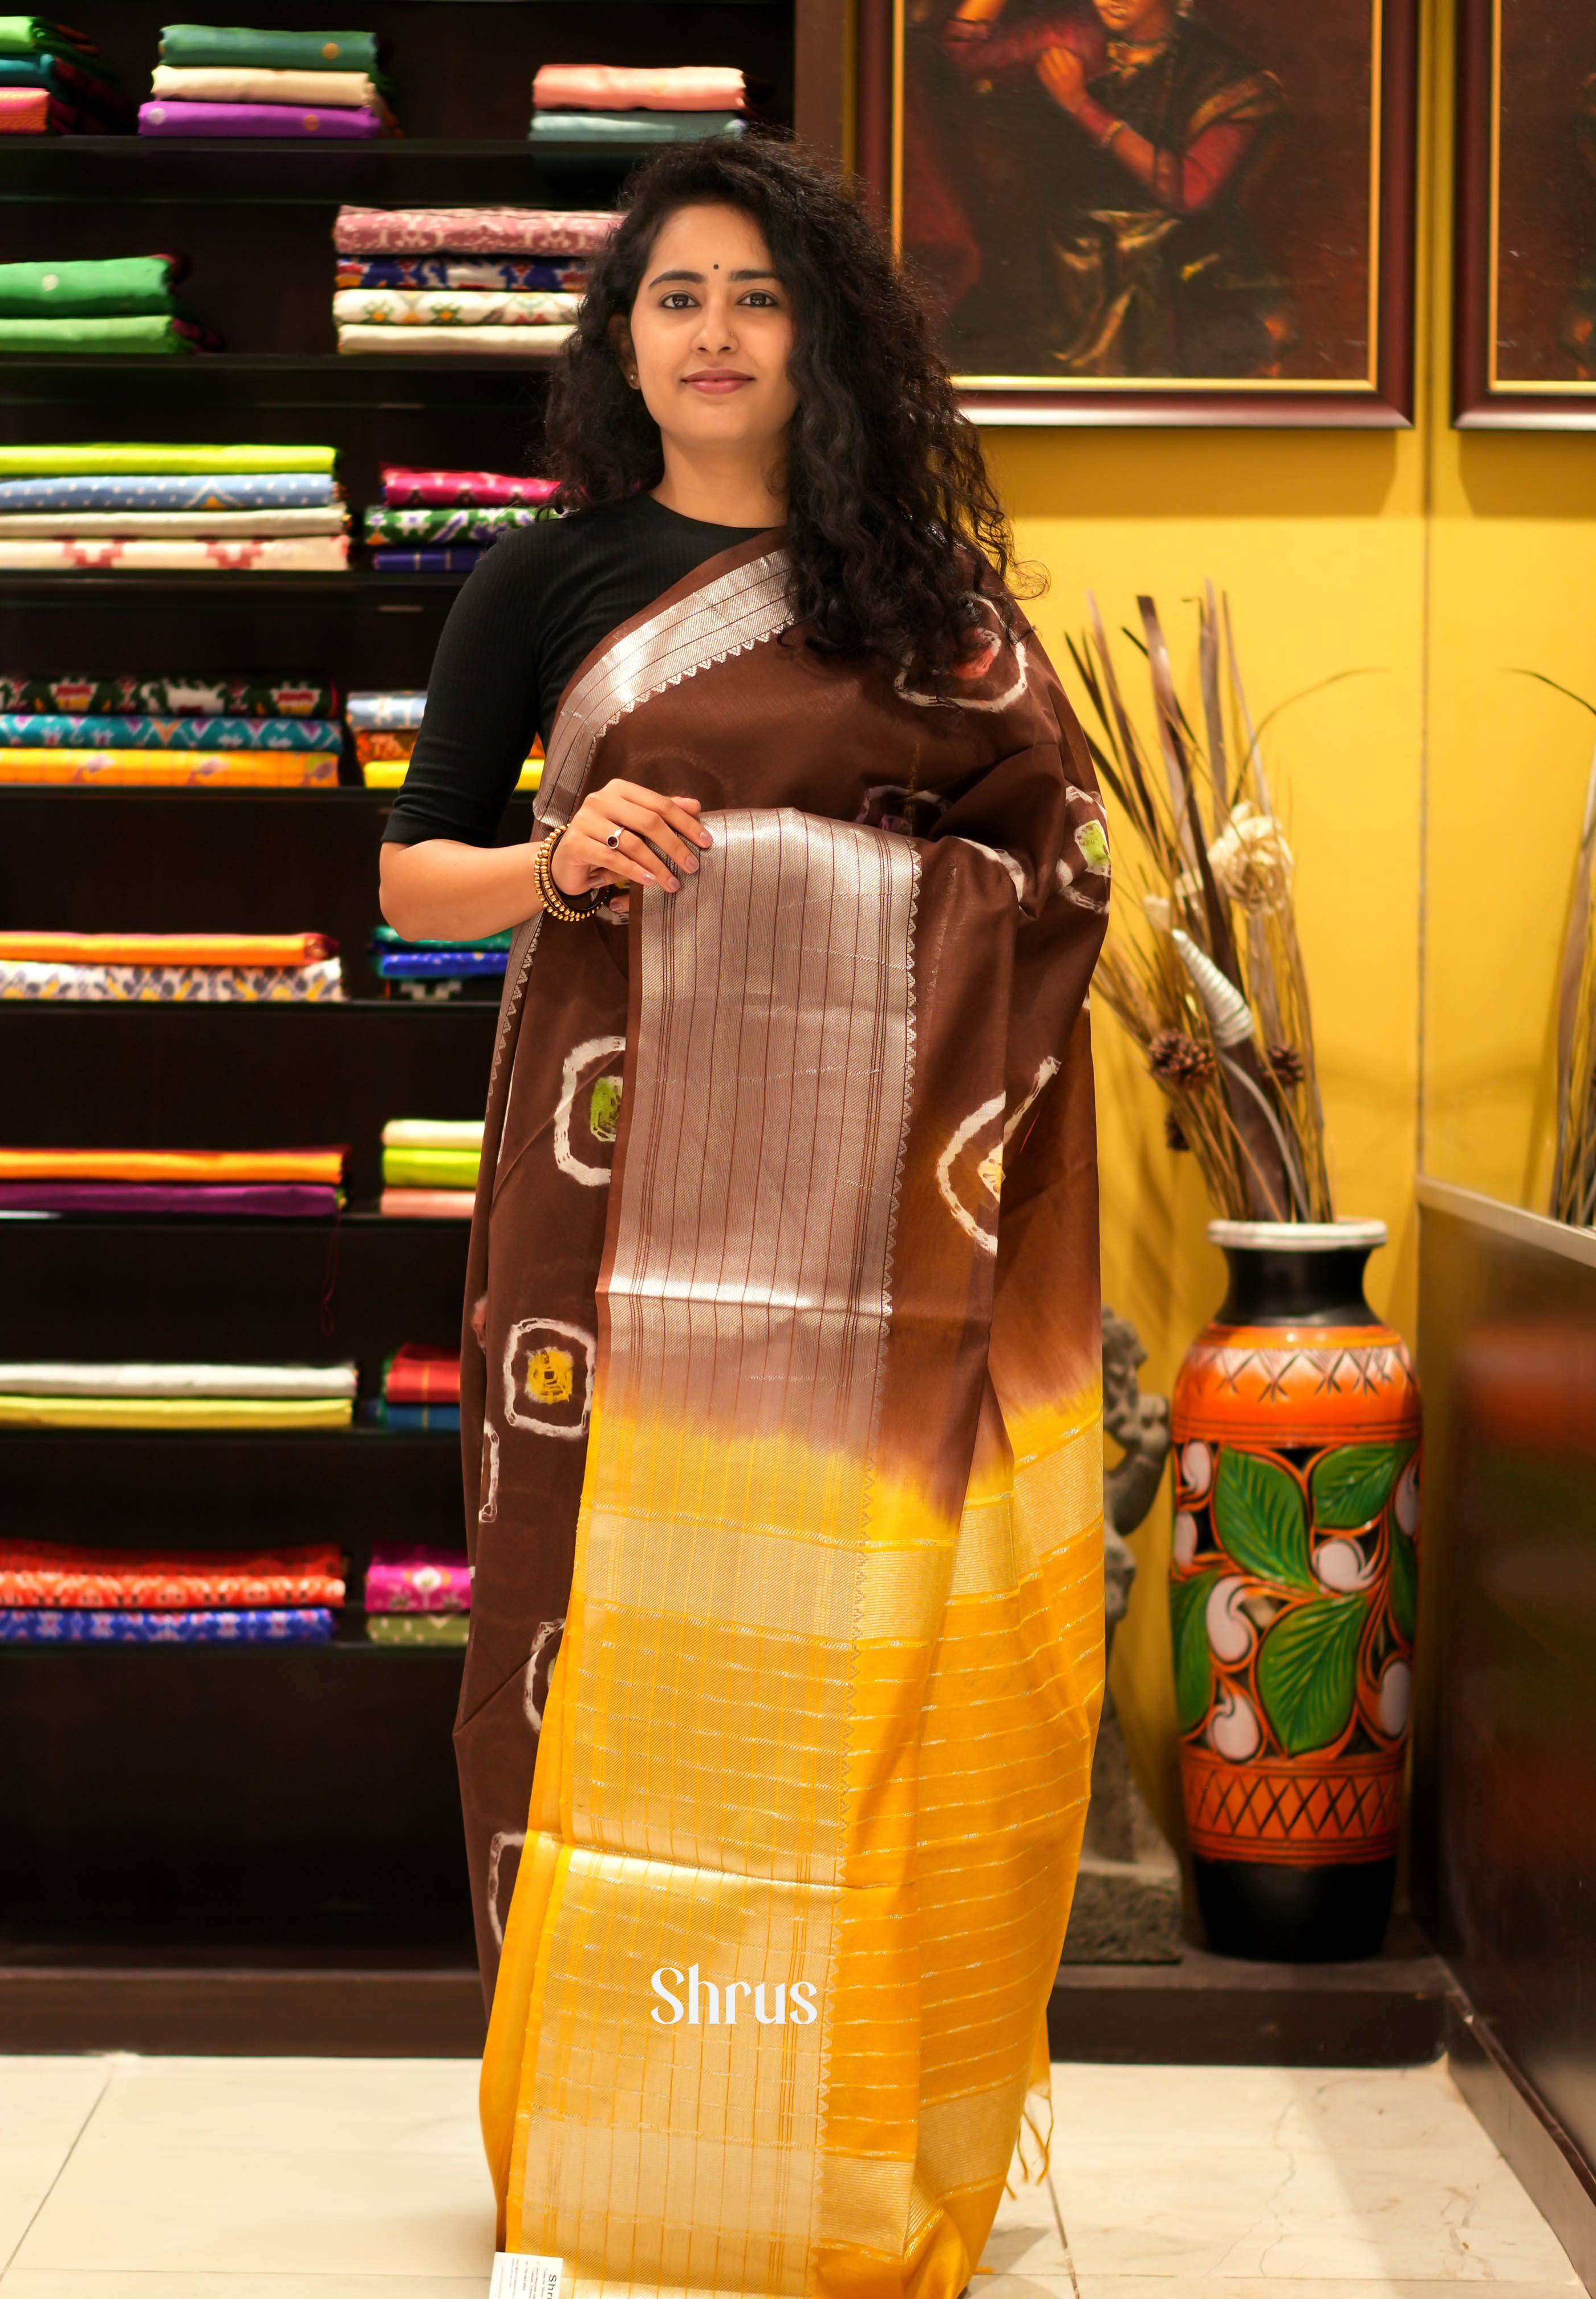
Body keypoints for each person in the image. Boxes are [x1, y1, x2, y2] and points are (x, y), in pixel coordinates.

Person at [379, 133, 1110, 2292]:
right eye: (674, 295)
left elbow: (1050, 874)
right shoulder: (551, 579)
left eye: (755, 298)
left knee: (856, 1646)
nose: (711, 333)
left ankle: (822, 2132)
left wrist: (830, 893)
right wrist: (565, 852)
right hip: (607, 1215)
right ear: (623, 338)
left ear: (820, 343)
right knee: (583, 1627)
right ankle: (609, 2159)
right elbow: (414, 880)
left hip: (886, 1247)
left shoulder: (917, 593)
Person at [918, 0, 1295, 376]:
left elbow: (1189, 190)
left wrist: (1080, 105)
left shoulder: (1224, 76)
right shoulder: (1072, 34)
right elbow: (960, 52)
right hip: (1066, 264)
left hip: (1179, 271)